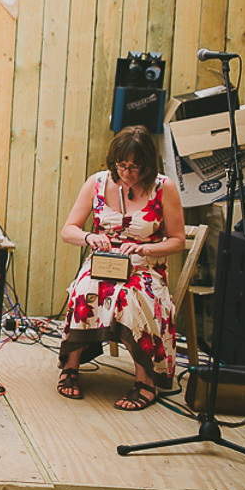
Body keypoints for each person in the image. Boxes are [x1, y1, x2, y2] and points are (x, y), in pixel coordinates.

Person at [58, 125, 185, 410]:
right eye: (122, 166)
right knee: (85, 288)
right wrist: (90, 237)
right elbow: (68, 230)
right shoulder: (98, 183)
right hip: (103, 263)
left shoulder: (164, 188)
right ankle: (70, 366)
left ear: (148, 165)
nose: (127, 174)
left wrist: (146, 248)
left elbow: (177, 241)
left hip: (144, 268)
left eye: (135, 167)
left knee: (130, 296)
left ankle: (145, 382)